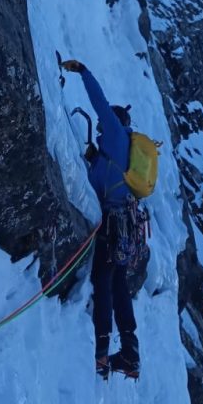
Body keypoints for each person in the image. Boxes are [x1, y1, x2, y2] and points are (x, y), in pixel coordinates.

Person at [60, 59, 140, 380]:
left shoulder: (117, 135)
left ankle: (101, 354)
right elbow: (104, 178)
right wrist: (94, 160)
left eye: (105, 124)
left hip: (111, 226)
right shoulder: (122, 149)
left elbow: (99, 102)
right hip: (125, 227)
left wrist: (84, 71)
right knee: (119, 287)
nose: (101, 125)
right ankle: (130, 354)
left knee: (103, 284)